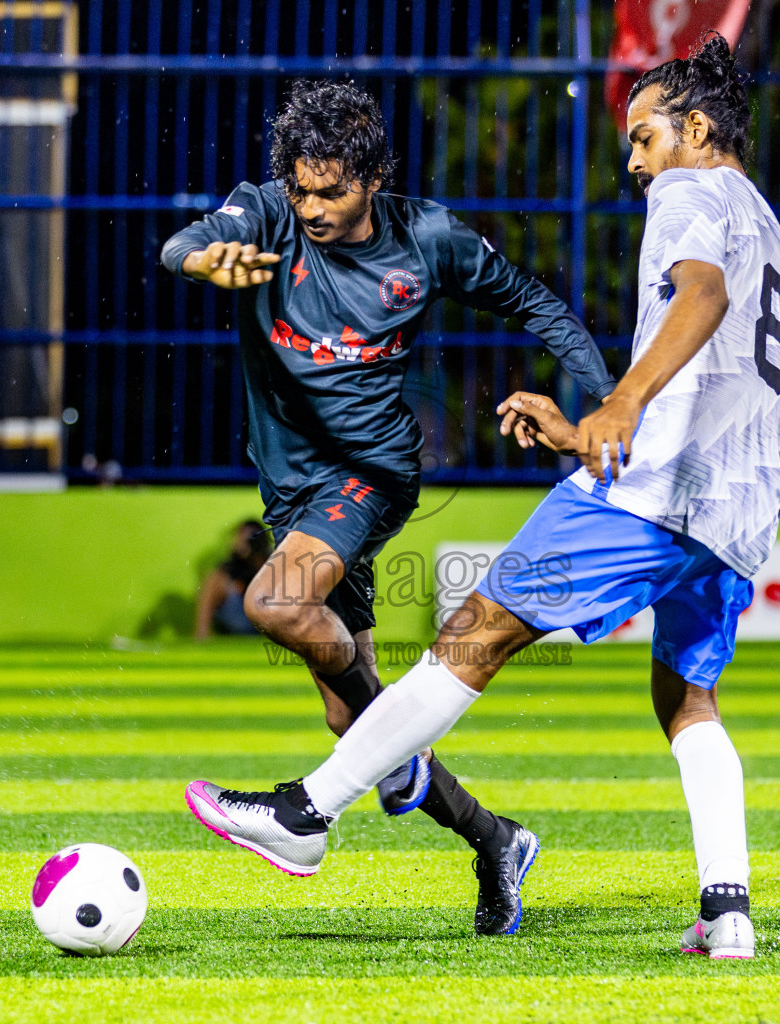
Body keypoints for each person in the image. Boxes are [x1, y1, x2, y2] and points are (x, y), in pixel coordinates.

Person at [184, 37, 780, 959]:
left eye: (644, 136)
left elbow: (700, 299)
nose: (633, 161)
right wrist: (590, 421)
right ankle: (728, 909)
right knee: (687, 697)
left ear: (697, 129)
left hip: (654, 486)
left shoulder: (689, 193)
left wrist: (621, 403)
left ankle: (309, 812)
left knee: (472, 634)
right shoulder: (766, 221)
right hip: (740, 501)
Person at [161, 79, 617, 936]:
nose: (313, 206)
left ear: (373, 177)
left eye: (331, 189)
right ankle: (495, 840)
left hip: (369, 472)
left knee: (274, 602)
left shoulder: (428, 238)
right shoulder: (264, 215)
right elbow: (184, 241)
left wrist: (597, 410)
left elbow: (539, 305)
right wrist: (202, 260)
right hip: (293, 488)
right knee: (356, 719)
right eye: (302, 188)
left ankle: (306, 820)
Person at [194, 520, 274, 639]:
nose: (245, 544)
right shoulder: (222, 577)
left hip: (272, 629)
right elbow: (202, 630)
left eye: (252, 539)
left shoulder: (276, 572)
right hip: (236, 627)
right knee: (215, 580)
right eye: (240, 539)